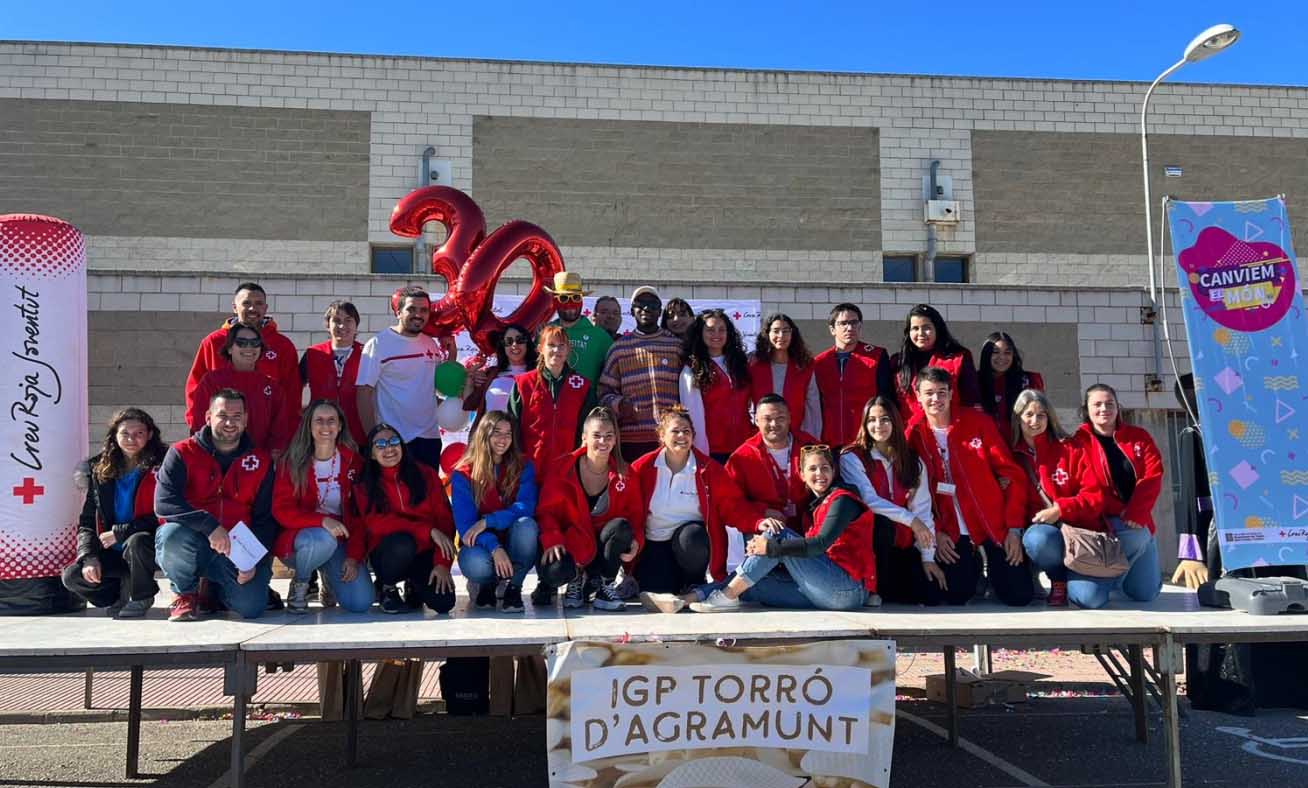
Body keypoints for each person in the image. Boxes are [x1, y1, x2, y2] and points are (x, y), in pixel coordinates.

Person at [676, 445, 874, 613]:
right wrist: (766, 552)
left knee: (776, 531)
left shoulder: (843, 500)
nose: (819, 474)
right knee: (755, 581)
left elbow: (819, 545)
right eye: (812, 469)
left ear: (833, 471)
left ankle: (725, 597)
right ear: (802, 475)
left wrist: (771, 548)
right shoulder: (813, 506)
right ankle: (689, 598)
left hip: (846, 589)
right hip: (825, 592)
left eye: (825, 468)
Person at [906, 367, 1033, 606]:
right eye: (929, 393)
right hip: (950, 528)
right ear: (918, 395)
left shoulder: (977, 422)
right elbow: (914, 493)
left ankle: (995, 574)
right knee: (956, 594)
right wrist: (936, 532)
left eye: (942, 392)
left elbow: (1013, 476)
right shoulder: (914, 433)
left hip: (991, 524)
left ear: (952, 394)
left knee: (1019, 596)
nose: (936, 399)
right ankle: (975, 572)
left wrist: (1014, 530)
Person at [154, 389, 277, 621]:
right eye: (222, 415)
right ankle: (186, 593)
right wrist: (209, 526)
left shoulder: (260, 460)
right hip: (194, 540)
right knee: (170, 535)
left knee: (250, 608)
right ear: (208, 417)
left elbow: (265, 518)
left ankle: (214, 591)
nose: (230, 422)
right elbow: (165, 503)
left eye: (237, 416)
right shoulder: (181, 452)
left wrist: (251, 559)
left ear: (246, 419)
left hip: (237, 547)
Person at [630, 407, 763, 602]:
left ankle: (694, 582)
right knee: (657, 590)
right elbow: (629, 507)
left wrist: (758, 521)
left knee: (691, 537)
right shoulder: (642, 467)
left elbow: (733, 506)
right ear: (662, 435)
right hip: (655, 543)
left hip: (691, 545)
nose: (682, 436)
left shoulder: (709, 470)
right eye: (675, 431)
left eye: (687, 431)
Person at [272, 400, 375, 614]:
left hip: (339, 542)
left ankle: (329, 576)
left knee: (360, 602)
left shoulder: (353, 462)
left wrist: (354, 556)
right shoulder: (291, 461)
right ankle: (300, 584)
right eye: (319, 420)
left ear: (340, 427)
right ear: (309, 426)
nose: (325, 426)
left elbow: (360, 515)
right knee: (322, 539)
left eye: (331, 421)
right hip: (300, 541)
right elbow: (281, 510)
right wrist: (322, 521)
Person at [840, 397, 945, 605]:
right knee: (883, 523)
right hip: (871, 547)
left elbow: (923, 510)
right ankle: (872, 587)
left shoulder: (913, 461)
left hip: (902, 545)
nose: (878, 425)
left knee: (932, 595)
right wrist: (912, 521)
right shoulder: (852, 457)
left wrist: (927, 557)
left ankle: (891, 586)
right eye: (872, 420)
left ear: (895, 422)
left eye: (885, 419)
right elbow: (870, 501)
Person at [536, 407, 644, 610]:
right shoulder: (562, 468)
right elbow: (545, 512)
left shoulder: (625, 474)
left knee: (622, 526)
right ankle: (574, 581)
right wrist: (552, 539)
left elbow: (636, 515)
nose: (603, 442)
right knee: (555, 570)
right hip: (572, 544)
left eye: (608, 436)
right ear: (584, 437)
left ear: (615, 440)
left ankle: (605, 585)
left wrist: (636, 540)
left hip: (605, 549)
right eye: (597, 435)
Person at [61, 408, 167, 617]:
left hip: (149, 545)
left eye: (139, 434)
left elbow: (167, 513)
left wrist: (122, 532)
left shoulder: (164, 464)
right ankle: (120, 590)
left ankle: (141, 595)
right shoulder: (100, 468)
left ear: (150, 435)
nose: (131, 439)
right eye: (125, 433)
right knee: (72, 576)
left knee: (136, 541)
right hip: (112, 548)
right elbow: (88, 520)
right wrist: (89, 556)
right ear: (114, 435)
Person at [1011, 389, 1109, 607]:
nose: (1034, 421)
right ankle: (1058, 579)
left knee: (1089, 599)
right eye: (1028, 414)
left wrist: (1059, 509)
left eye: (1041, 415)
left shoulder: (1070, 448)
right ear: (1018, 418)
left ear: (1050, 418)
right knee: (1037, 539)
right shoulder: (1013, 456)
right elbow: (1013, 502)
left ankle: (1100, 579)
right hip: (1044, 537)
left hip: (1079, 533)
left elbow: (1094, 496)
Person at [1068, 384, 1164, 607]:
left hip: (1135, 521)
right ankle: (1087, 581)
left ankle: (1114, 578)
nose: (1104, 409)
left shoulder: (1138, 436)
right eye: (1097, 404)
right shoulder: (1077, 443)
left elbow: (1154, 474)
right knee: (1089, 599)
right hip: (1101, 525)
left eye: (1110, 403)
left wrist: (1136, 512)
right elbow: (1087, 487)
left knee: (1145, 594)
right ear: (1086, 409)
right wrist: (1119, 511)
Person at [348, 423, 456, 614]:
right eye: (380, 444)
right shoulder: (365, 482)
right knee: (403, 542)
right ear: (371, 454)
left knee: (444, 603)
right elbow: (375, 523)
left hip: (424, 551)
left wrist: (441, 564)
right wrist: (426, 530)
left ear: (403, 446)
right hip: (390, 551)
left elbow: (444, 521)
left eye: (394, 441)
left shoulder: (426, 474)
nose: (388, 448)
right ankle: (386, 587)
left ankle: (413, 583)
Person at [186, 282, 301, 442]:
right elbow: (195, 390)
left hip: (263, 438)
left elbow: (292, 394)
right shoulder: (213, 342)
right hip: (219, 439)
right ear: (234, 307)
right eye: (246, 303)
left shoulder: (283, 345)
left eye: (258, 304)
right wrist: (198, 433)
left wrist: (285, 438)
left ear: (266, 308)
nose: (253, 309)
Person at [451, 411, 539, 613]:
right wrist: (494, 548)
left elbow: (526, 506)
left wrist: (488, 521)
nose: (503, 439)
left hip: (513, 538)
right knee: (473, 561)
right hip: (485, 547)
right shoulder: (464, 473)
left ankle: (514, 586)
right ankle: (487, 584)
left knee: (527, 525)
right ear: (484, 434)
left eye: (508, 433)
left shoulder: (523, 465)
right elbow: (466, 527)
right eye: (497, 432)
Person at [356, 286, 447, 471]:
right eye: (411, 309)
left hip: (429, 438)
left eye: (423, 310)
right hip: (394, 440)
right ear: (398, 312)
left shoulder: (430, 344)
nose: (418, 315)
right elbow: (363, 393)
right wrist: (374, 437)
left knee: (426, 497)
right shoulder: (378, 344)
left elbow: (435, 389)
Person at [598, 286, 684, 461]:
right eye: (640, 304)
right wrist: (619, 404)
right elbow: (603, 391)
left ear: (660, 311)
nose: (646, 308)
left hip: (670, 437)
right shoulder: (619, 348)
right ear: (632, 311)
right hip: (632, 441)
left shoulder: (676, 347)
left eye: (652, 304)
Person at [187, 324, 291, 455]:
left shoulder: (272, 387)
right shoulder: (212, 381)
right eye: (241, 342)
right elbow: (199, 422)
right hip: (217, 459)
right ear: (230, 348)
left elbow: (279, 431)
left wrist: (271, 458)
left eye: (255, 343)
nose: (249, 347)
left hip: (257, 463)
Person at [509, 325, 597, 473]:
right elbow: (513, 426)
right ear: (540, 349)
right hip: (529, 469)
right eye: (551, 345)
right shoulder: (524, 384)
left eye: (561, 345)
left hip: (568, 469)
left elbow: (589, 430)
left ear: (568, 349)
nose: (556, 350)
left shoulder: (582, 386)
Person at [725, 395, 816, 535]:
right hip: (767, 528)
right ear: (756, 420)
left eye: (780, 418)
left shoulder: (810, 446)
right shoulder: (741, 457)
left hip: (810, 525)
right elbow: (730, 503)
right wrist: (761, 514)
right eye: (767, 419)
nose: (774, 424)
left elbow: (831, 487)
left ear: (789, 418)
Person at [812, 303, 893, 447]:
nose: (849, 328)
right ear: (832, 329)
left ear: (860, 326)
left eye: (854, 323)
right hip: (830, 441)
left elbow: (886, 398)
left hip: (867, 439)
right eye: (843, 323)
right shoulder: (819, 363)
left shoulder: (876, 356)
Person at [678, 309, 753, 463]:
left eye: (721, 329)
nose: (716, 334)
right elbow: (693, 415)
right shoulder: (692, 370)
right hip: (713, 449)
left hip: (744, 444)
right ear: (701, 334)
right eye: (710, 330)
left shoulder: (740, 364)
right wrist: (700, 453)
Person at [892, 304, 980, 422]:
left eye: (926, 327)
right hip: (909, 433)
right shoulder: (898, 362)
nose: (921, 333)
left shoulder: (958, 358)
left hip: (949, 429)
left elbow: (971, 400)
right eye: (915, 328)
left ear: (937, 329)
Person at [301, 301, 367, 446]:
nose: (342, 326)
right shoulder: (313, 353)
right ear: (328, 325)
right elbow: (295, 388)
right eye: (336, 321)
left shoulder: (368, 354)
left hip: (357, 432)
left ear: (356, 325)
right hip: (320, 431)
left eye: (348, 320)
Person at [748, 313, 822, 438]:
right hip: (760, 435)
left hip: (794, 436)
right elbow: (746, 401)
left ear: (792, 334)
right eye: (776, 331)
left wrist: (811, 438)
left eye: (786, 331)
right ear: (767, 334)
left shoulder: (804, 366)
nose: (781, 336)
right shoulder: (753, 364)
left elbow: (812, 405)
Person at [547, 272, 612, 385]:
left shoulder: (600, 337)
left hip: (588, 401)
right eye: (564, 298)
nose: (570, 304)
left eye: (576, 297)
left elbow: (614, 375)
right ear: (554, 300)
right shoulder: (545, 334)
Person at [463, 324, 538, 422]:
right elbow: (469, 404)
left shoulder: (538, 374)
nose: (514, 345)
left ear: (527, 343)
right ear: (503, 346)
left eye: (520, 340)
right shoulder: (491, 374)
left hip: (523, 435)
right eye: (509, 341)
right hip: (490, 434)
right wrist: (470, 380)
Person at [979, 332, 1045, 438]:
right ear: (986, 354)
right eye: (995, 352)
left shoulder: (1030, 380)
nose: (1002, 357)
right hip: (985, 446)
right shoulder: (973, 381)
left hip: (1019, 447)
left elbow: (1040, 418)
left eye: (1007, 352)